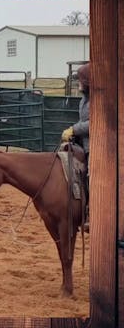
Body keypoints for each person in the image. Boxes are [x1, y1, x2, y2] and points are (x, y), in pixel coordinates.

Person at [61, 62, 90, 231]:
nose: (78, 82)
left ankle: (91, 212)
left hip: (96, 147)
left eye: (80, 79)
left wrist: (74, 129)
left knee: (93, 174)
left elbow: (95, 122)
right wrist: (73, 130)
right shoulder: (85, 99)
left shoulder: (98, 99)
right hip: (83, 143)